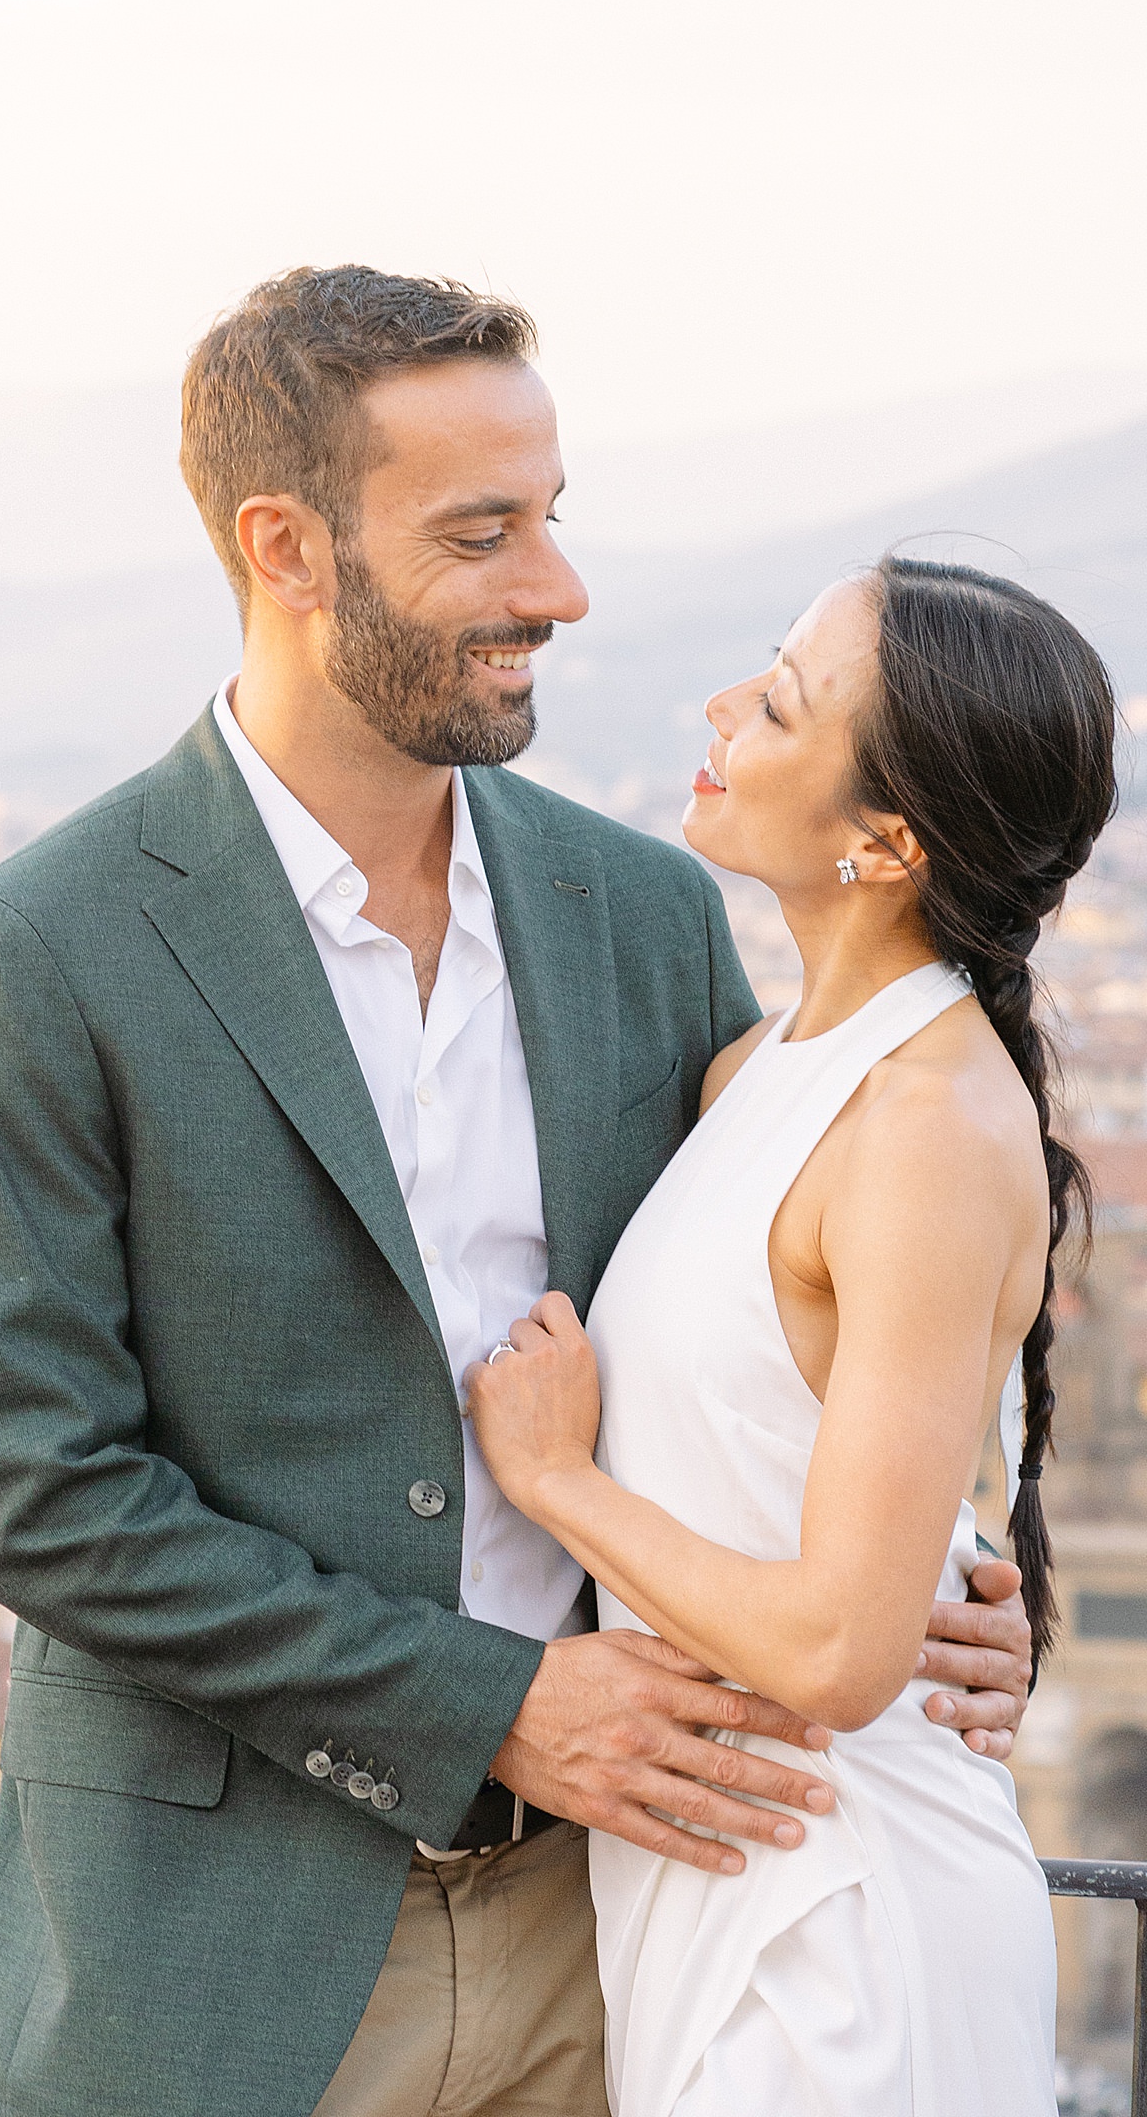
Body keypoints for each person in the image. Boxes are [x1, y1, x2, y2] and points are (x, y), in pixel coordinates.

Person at [0, 268, 1032, 2117]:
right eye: (484, 535)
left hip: (639, 1927)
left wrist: (957, 1582)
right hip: (223, 1954)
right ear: (290, 548)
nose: (558, 591)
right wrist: (486, 1704)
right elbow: (37, 1498)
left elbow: (779, 1313)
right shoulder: (38, 950)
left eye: (554, 521)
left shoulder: (646, 919)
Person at [470, 555, 1114, 2113]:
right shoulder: (762, 1072)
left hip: (840, 1924)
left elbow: (840, 1647)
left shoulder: (927, 1126)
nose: (721, 710)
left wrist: (556, 1481)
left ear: (887, 840)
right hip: (729, 1885)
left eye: (778, 701)